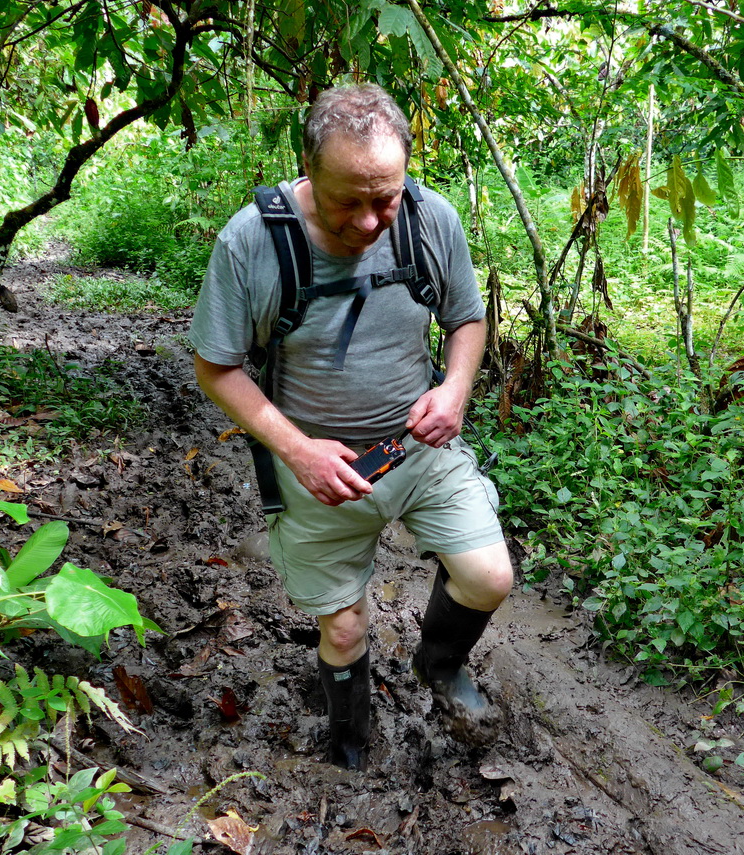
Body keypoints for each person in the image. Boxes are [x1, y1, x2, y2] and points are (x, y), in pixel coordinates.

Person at [189, 83, 513, 771]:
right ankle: (348, 747)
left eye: (385, 198)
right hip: (318, 463)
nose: (370, 223)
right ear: (309, 166)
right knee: (342, 624)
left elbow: (467, 319)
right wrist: (296, 449)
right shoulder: (253, 241)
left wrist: (454, 388)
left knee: (488, 576)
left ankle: (439, 663)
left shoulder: (431, 219)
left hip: (420, 446)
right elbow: (216, 366)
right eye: (349, 201)